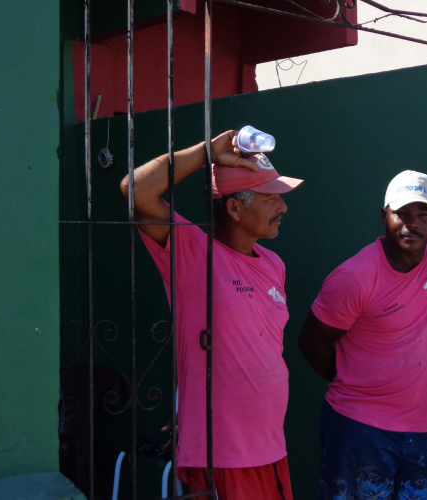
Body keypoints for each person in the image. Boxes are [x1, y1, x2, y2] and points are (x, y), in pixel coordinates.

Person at [298, 170, 427, 500]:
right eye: (402, 213)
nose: (413, 224)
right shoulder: (354, 278)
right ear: (385, 216)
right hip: (358, 426)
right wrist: (357, 382)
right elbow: (311, 343)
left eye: (424, 214)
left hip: (419, 430)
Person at [120, 130, 303, 500]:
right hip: (224, 454)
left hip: (270, 446)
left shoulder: (274, 264)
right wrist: (210, 151)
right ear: (234, 208)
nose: (283, 207)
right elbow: (135, 190)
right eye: (270, 198)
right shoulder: (192, 252)